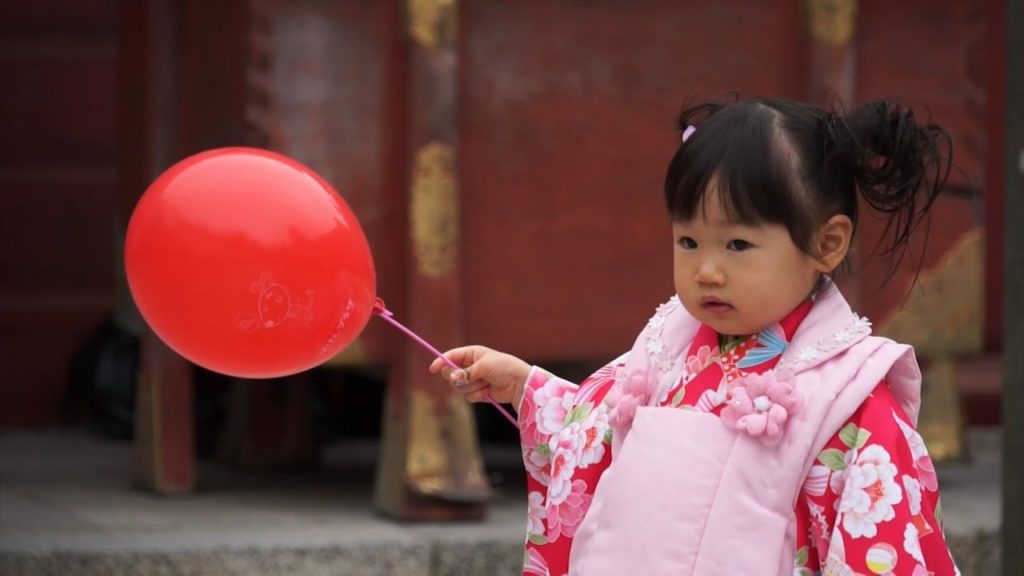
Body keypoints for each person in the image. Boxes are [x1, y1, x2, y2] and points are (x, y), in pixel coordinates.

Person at [430, 98, 960, 575]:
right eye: (688, 240)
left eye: (737, 244)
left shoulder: (849, 398)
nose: (706, 270)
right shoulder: (668, 347)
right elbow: (594, 436)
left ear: (827, 242)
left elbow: (883, 550)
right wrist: (526, 388)